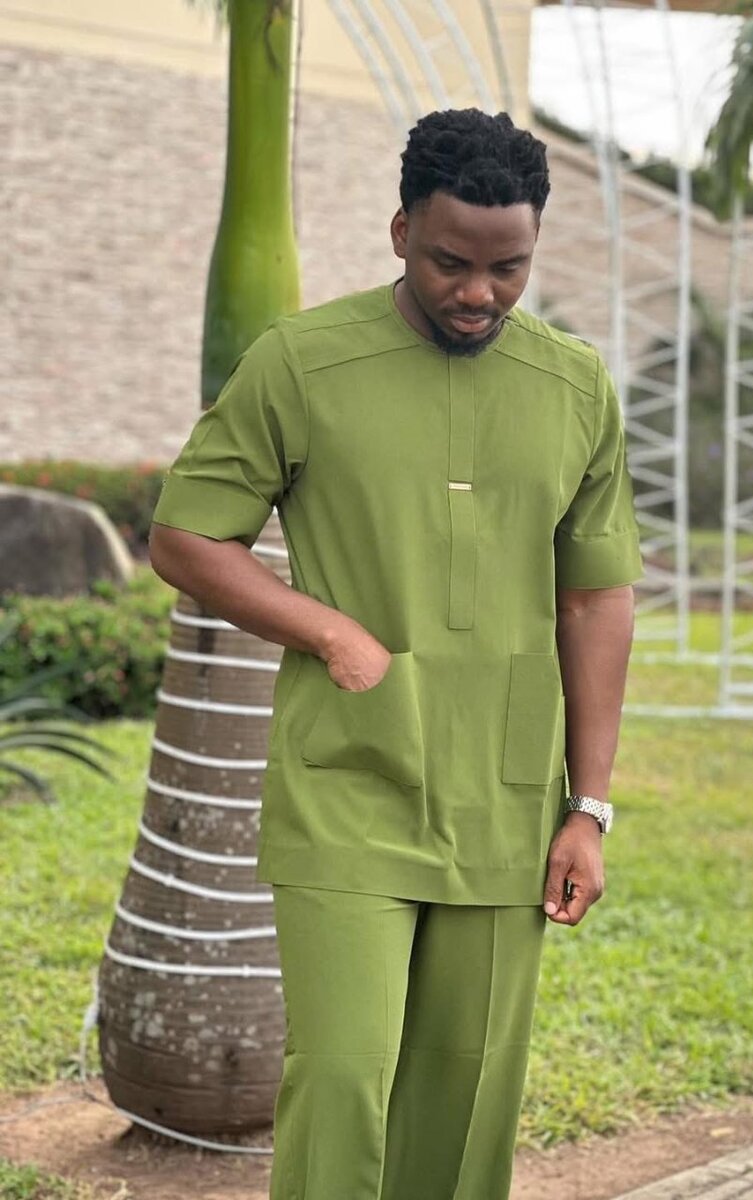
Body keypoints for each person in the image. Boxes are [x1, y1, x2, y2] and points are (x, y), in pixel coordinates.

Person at [149, 107, 643, 1200]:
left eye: (507, 268)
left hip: (506, 800)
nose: (479, 293)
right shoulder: (301, 363)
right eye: (450, 262)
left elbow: (593, 600)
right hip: (350, 783)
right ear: (399, 232)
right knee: (341, 1075)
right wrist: (328, 630)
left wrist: (588, 808)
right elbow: (186, 537)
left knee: (466, 1097)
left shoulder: (574, 388)